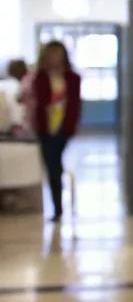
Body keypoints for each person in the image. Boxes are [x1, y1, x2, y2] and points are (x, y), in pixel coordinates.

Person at [32, 41, 81, 220]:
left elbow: (75, 105)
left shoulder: (72, 78)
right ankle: (57, 206)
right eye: (51, 54)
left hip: (62, 128)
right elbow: (39, 101)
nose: (54, 58)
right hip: (45, 128)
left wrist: (70, 127)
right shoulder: (41, 77)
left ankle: (58, 208)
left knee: (54, 164)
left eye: (57, 54)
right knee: (51, 165)